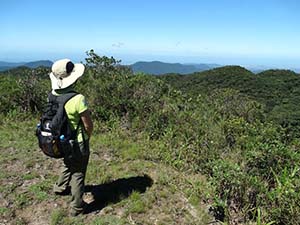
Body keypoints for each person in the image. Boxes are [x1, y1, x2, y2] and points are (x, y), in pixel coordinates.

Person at [49, 59, 93, 216]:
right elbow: (88, 125)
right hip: (77, 141)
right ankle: (77, 207)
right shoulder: (77, 99)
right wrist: (86, 138)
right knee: (78, 173)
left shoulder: (53, 95)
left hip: (60, 139)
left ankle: (59, 187)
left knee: (68, 162)